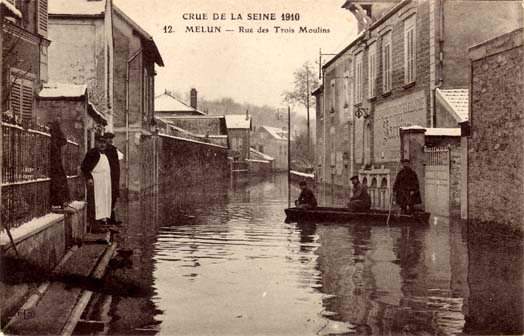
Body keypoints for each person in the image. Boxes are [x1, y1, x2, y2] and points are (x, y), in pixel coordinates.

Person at [81, 134, 112, 225]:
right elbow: (84, 167)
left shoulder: (105, 154)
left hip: (105, 182)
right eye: (100, 142)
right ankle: (94, 224)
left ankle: (103, 221)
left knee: (104, 201)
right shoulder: (92, 153)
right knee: (96, 202)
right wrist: (89, 178)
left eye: (104, 143)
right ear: (96, 143)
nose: (102, 145)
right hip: (96, 182)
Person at [49, 120, 70, 208]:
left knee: (57, 181)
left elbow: (63, 142)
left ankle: (59, 200)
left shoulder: (56, 134)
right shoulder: (52, 134)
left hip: (55, 160)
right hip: (53, 159)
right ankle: (58, 201)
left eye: (50, 125)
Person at [104, 132, 121, 225]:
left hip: (114, 177)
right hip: (106, 177)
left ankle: (111, 217)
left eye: (111, 139)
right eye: (108, 138)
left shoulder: (113, 150)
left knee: (113, 197)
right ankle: (108, 218)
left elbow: (116, 166)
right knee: (107, 197)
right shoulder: (103, 150)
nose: (110, 140)